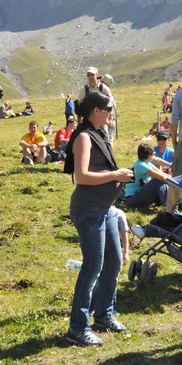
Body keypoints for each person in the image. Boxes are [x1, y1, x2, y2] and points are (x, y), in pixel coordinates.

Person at [65, 90, 133, 346]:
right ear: (96, 111)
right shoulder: (84, 137)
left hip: (105, 209)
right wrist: (115, 176)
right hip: (89, 210)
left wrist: (119, 174)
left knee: (113, 263)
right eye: (109, 109)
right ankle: (77, 328)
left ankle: (104, 314)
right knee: (93, 267)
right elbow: (82, 176)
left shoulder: (99, 134)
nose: (112, 113)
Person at [125, 142, 171, 208]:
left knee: (162, 180)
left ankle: (177, 204)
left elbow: (163, 174)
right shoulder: (140, 165)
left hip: (140, 194)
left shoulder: (147, 163)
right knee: (157, 180)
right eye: (153, 154)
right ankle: (170, 206)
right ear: (149, 155)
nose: (154, 155)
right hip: (132, 199)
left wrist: (174, 180)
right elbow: (162, 178)